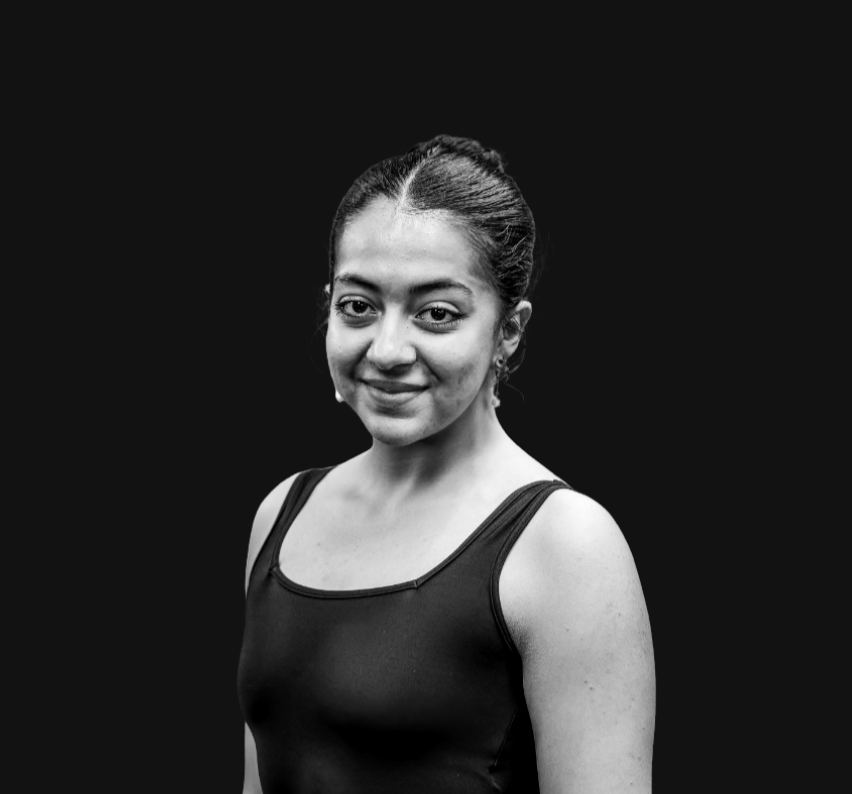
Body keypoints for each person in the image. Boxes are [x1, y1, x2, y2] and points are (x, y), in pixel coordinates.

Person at [237, 135, 655, 793]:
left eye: (436, 313)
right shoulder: (282, 513)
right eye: (357, 306)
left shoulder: (565, 545)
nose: (388, 348)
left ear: (508, 330)